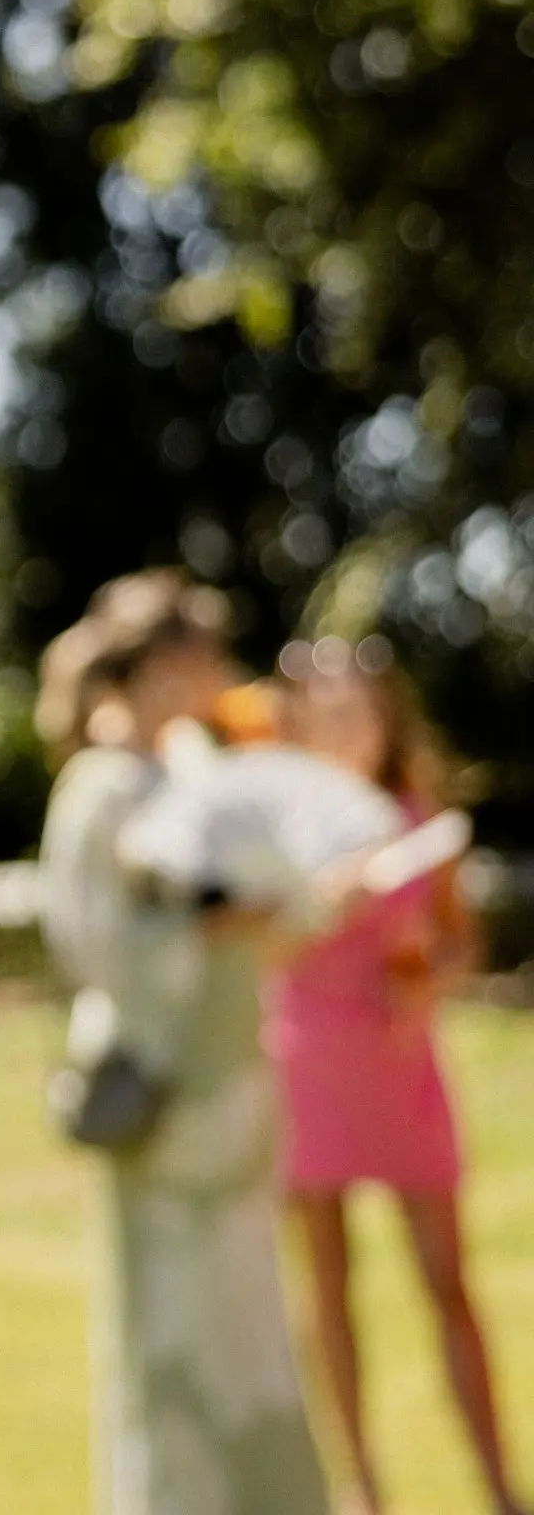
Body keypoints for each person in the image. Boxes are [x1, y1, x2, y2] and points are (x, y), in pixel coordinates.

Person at [34, 571, 328, 1515]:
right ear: (167, 665)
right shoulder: (102, 787)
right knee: (170, 1329)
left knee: (248, 1322)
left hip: (233, 1081)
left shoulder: (194, 771)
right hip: (163, 1101)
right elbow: (93, 948)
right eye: (203, 654)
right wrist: (208, 927)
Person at [267, 637, 521, 1515]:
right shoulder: (276, 820)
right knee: (328, 1289)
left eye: (360, 712)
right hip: (306, 1064)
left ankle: (501, 1486)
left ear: (386, 718)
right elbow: (248, 944)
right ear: (301, 724)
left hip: (402, 1068)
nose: (346, 728)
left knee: (448, 1283)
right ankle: (360, 1491)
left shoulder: (418, 816)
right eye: (328, 714)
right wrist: (320, 901)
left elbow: (459, 942)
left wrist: (433, 978)